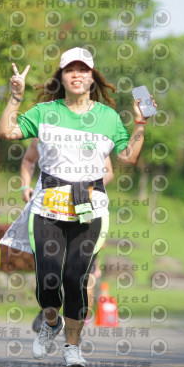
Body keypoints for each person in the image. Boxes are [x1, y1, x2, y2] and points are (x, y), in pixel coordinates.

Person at [0, 47, 155, 367]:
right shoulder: (45, 111)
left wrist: (140, 123)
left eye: (84, 69)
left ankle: (72, 345)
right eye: (71, 69)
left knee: (75, 278)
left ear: (92, 78)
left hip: (90, 207)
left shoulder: (108, 117)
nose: (77, 75)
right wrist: (16, 97)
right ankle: (51, 322)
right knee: (48, 279)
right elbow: (6, 131)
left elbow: (128, 157)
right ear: (62, 77)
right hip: (48, 206)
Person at [22, 137, 113, 333]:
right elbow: (28, 159)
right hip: (51, 213)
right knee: (50, 273)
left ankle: (76, 329)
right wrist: (25, 186)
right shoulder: (42, 134)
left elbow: (108, 171)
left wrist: (86, 186)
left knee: (80, 277)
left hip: (84, 210)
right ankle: (50, 314)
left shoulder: (93, 135)